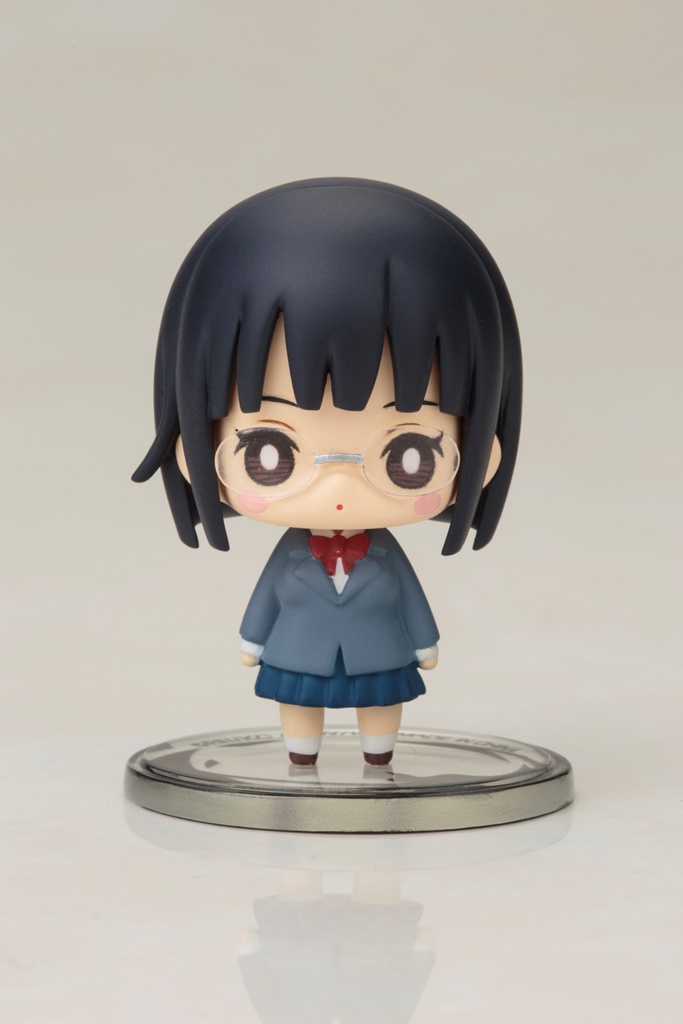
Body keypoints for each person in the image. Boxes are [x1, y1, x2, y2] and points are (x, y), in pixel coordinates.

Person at [134, 178, 522, 765]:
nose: (339, 485)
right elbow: (265, 601)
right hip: (298, 654)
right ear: (192, 449)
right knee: (297, 705)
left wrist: (425, 643)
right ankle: (301, 755)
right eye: (270, 453)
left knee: (381, 705)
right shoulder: (293, 555)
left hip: (378, 654)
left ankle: (378, 755)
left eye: (408, 455)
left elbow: (412, 602)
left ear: (481, 452)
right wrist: (251, 640)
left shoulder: (383, 554)